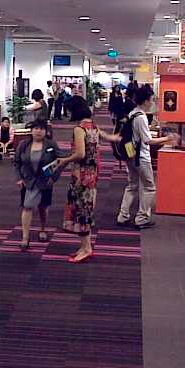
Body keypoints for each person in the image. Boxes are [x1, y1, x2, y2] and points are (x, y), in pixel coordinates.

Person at [58, 96, 119, 263]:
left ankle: (86, 248)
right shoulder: (93, 125)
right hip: (92, 173)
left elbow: (80, 154)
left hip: (81, 174)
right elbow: (108, 138)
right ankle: (86, 246)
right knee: (86, 208)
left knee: (81, 209)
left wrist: (64, 160)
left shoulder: (79, 129)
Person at [116, 85, 178, 229]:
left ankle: (123, 215)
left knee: (132, 185)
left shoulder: (133, 113)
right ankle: (142, 218)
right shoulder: (141, 117)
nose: (152, 103)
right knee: (149, 187)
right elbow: (148, 140)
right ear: (145, 100)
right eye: (151, 100)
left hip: (130, 154)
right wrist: (168, 138)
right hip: (141, 157)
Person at [15, 119, 64, 250]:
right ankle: (25, 237)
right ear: (31, 131)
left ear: (45, 131)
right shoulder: (24, 145)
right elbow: (17, 162)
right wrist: (19, 178)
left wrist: (53, 177)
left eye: (41, 129)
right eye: (35, 129)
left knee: (43, 207)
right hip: (28, 181)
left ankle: (42, 229)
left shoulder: (51, 145)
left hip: (45, 181)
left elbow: (62, 160)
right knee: (27, 207)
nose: (38, 131)